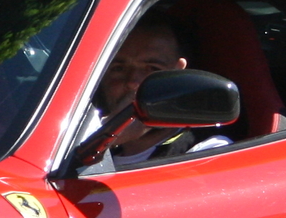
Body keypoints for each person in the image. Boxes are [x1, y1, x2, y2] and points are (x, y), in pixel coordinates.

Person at [85, 15, 231, 171]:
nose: (133, 83)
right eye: (119, 69)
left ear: (179, 76)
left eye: (153, 69)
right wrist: (103, 137)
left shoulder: (206, 152)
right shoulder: (72, 151)